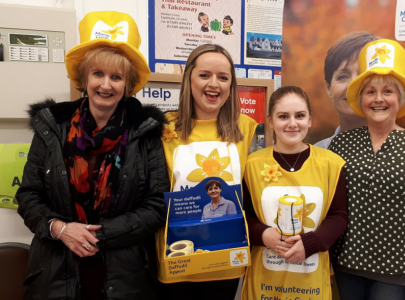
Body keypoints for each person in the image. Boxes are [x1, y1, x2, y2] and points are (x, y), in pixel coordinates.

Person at [16, 12, 169, 300]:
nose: (106, 85)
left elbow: (157, 205)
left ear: (127, 84)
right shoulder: (52, 127)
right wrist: (60, 229)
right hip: (55, 274)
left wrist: (98, 234)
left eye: (116, 76)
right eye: (98, 74)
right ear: (84, 78)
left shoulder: (145, 132)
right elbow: (28, 196)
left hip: (126, 279)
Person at [328, 39, 405, 300]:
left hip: (398, 272)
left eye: (388, 91)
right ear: (361, 98)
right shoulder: (342, 143)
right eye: (370, 91)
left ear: (400, 98)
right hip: (345, 267)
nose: (378, 99)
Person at [157, 44, 258, 299]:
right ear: (189, 78)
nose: (214, 84)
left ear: (231, 85)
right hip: (177, 258)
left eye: (223, 78)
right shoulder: (163, 128)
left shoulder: (246, 128)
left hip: (226, 260)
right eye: (204, 75)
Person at [242, 86, 348, 300]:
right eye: (283, 116)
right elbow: (244, 215)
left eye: (300, 116)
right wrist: (262, 234)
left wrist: (311, 243)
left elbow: (339, 216)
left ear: (309, 120)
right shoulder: (251, 165)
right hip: (265, 278)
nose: (292, 123)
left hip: (311, 280)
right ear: (271, 121)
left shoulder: (331, 164)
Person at [315, 31, 378, 149]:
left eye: (364, 76)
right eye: (342, 76)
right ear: (328, 87)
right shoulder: (313, 158)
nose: (352, 85)